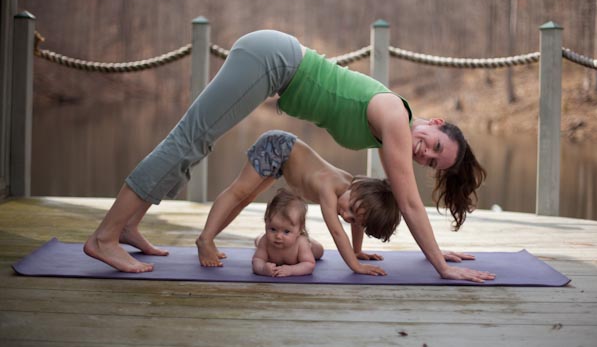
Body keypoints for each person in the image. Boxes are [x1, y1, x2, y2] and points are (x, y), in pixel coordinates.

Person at [84, 29, 495, 283]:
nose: (424, 153)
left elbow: (386, 198)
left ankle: (126, 227)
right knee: (190, 139)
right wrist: (441, 265)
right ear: (435, 122)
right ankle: (104, 237)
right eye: (434, 145)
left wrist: (437, 251)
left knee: (195, 142)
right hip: (273, 59)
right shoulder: (393, 117)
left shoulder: (394, 132)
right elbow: (408, 202)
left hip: (274, 61)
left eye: (431, 162)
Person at [198, 130, 400, 276]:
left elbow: (357, 223)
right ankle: (205, 239)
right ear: (355, 189)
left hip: (284, 160)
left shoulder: (351, 192)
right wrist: (355, 266)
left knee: (247, 198)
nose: (347, 216)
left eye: (355, 218)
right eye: (351, 210)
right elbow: (337, 232)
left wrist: (357, 251)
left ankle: (210, 239)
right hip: (277, 146)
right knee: (239, 191)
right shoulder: (328, 188)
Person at [251, 188, 317, 277]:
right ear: (266, 222)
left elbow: (309, 265)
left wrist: (291, 270)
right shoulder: (266, 240)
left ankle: (311, 242)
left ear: (300, 229)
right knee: (259, 243)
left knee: (318, 251)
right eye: (273, 229)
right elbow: (257, 260)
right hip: (264, 243)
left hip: (309, 246)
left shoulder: (301, 243)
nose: (278, 236)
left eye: (286, 231)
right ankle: (258, 239)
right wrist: (263, 269)